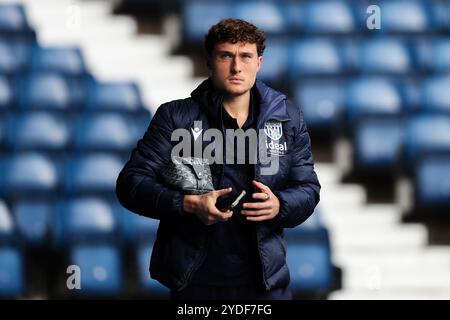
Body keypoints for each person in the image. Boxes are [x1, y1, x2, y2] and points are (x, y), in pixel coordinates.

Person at [116, 18, 320, 300]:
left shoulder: (287, 119)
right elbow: (131, 184)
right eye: (226, 56)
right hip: (195, 282)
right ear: (209, 61)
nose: (237, 67)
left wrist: (279, 205)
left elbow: (308, 189)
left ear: (259, 62)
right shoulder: (175, 118)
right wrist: (188, 204)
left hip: (265, 283)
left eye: (246, 56)